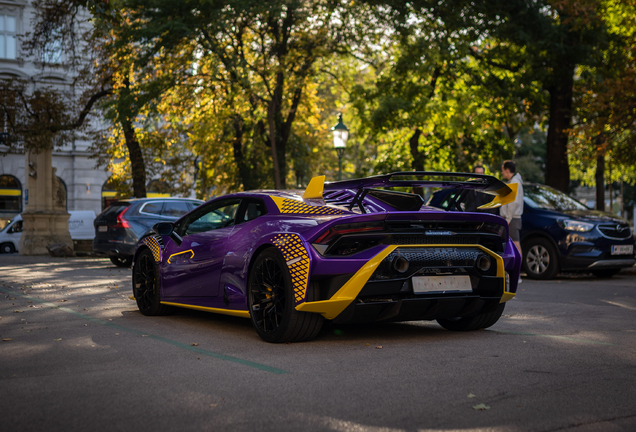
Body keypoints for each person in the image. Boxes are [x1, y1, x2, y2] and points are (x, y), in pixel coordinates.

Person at [500, 160, 524, 277]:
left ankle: (516, 273)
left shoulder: (514, 183)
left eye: (503, 170)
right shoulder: (515, 181)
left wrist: (508, 218)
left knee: (515, 246)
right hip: (512, 218)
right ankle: (514, 273)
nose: (502, 173)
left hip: (512, 219)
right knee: (512, 246)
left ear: (508, 170)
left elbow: (512, 202)